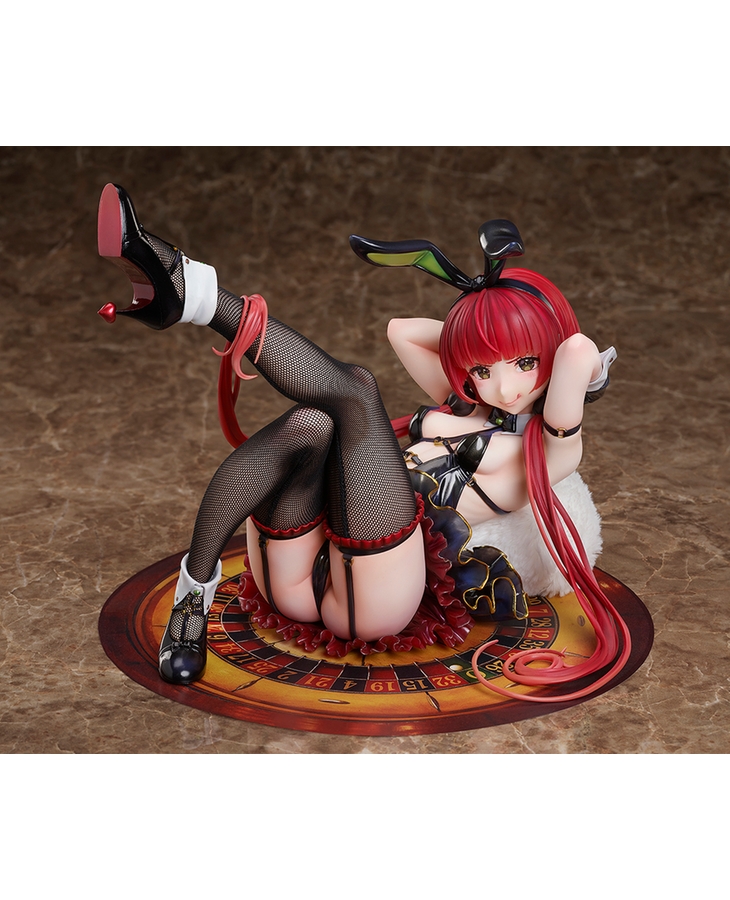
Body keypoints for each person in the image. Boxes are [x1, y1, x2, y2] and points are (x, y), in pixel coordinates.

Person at [97, 184, 630, 701]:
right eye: (484, 369)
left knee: (357, 389)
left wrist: (532, 332)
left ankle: (195, 294)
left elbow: (577, 350)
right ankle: (193, 594)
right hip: (304, 566)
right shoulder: (467, 403)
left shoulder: (553, 449)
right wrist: (479, 316)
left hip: (379, 589)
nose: (505, 387)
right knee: (311, 424)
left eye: (525, 363)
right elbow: (402, 330)